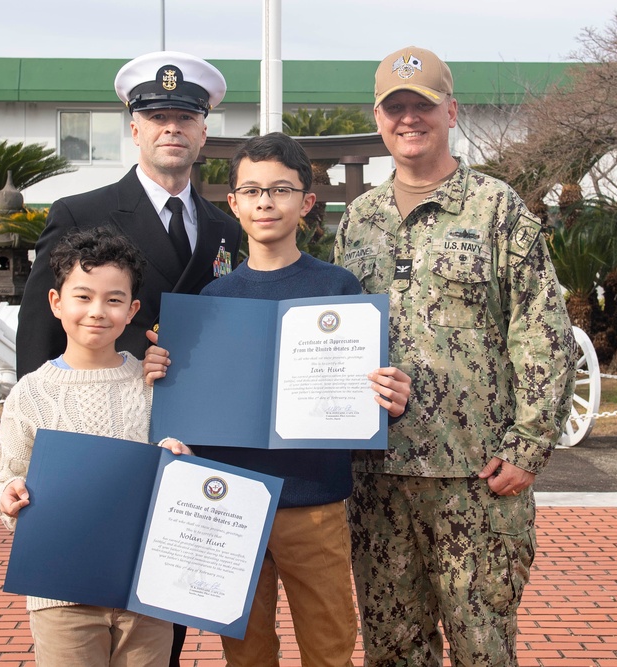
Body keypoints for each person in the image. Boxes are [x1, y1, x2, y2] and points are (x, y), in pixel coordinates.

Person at [332, 47, 576, 667]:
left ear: (451, 111)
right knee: (392, 649)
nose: (409, 119)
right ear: (379, 117)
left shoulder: (498, 209)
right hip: (377, 477)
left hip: (476, 479)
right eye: (396, 108)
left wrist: (528, 446)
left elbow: (542, 331)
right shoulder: (358, 221)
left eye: (423, 106)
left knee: (483, 649)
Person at [143, 132, 412, 667]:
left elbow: (369, 386)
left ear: (306, 203)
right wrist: (163, 372)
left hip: (314, 500)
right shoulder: (211, 300)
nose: (266, 202)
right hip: (229, 500)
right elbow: (191, 399)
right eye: (253, 191)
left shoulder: (339, 288)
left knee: (329, 641)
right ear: (235, 203)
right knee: (244, 647)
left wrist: (389, 394)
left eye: (281, 190)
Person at [0, 227, 181, 666]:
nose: (97, 311)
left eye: (114, 300)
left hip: (144, 588)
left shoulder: (154, 386)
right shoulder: (31, 393)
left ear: (133, 309)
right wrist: (8, 496)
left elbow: (177, 469)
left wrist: (180, 460)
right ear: (56, 302)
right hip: (61, 590)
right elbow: (9, 474)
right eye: (83, 297)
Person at [16, 50, 243, 377]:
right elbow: (39, 325)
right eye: (158, 118)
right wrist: (38, 406)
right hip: (106, 396)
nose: (172, 129)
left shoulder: (224, 228)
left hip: (196, 395)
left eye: (185, 118)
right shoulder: (79, 214)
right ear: (136, 132)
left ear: (202, 133)